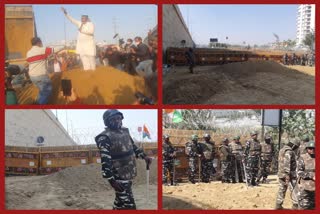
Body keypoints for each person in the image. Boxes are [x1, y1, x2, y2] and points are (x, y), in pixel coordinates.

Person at [95, 110, 152, 210]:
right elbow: (105, 160)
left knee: (120, 203)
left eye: (119, 118)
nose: (118, 121)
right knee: (129, 205)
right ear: (107, 122)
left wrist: (144, 156)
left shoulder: (125, 131)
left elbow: (132, 147)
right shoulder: (104, 137)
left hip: (128, 172)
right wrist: (112, 181)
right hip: (118, 175)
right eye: (114, 119)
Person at [26, 37, 58, 104]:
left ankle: (36, 102)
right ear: (39, 42)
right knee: (47, 91)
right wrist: (64, 47)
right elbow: (54, 50)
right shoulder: (42, 50)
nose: (42, 44)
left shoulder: (28, 53)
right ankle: (39, 105)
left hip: (32, 77)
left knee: (42, 90)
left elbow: (32, 61)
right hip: (41, 76)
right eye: (41, 43)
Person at [275, 139, 300, 210]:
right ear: (294, 145)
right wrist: (287, 175)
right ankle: (295, 205)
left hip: (281, 174)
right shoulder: (289, 151)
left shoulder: (282, 150)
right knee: (294, 189)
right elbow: (287, 164)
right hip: (289, 175)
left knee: (282, 189)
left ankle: (278, 205)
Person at [296, 141, 315, 210]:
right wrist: (311, 176)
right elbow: (299, 172)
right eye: (310, 148)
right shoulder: (303, 158)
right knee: (304, 207)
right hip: (305, 188)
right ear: (307, 149)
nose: (312, 150)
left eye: (313, 148)